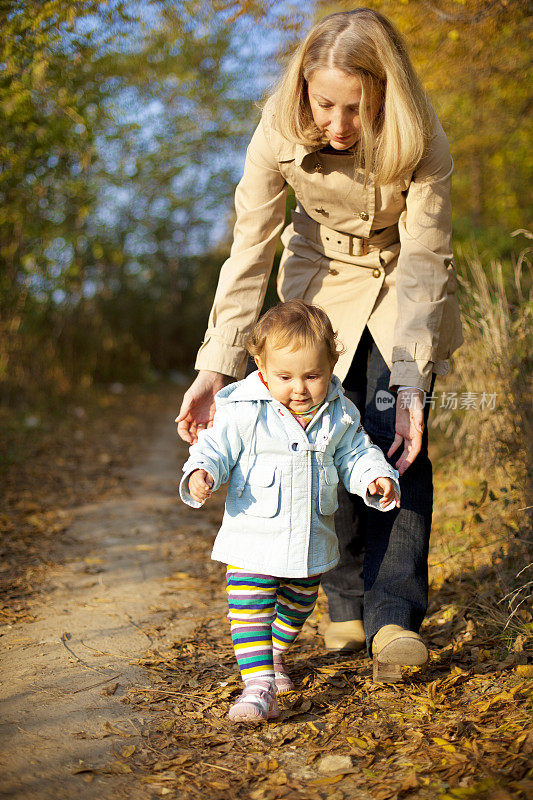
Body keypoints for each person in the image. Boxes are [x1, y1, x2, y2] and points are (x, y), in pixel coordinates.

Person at [176, 9, 463, 681]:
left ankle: (393, 617)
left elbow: (427, 259)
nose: (336, 126)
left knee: (396, 439)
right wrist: (215, 366)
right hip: (318, 284)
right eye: (323, 104)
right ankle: (345, 603)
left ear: (385, 96)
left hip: (402, 288)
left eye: (356, 109)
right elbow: (249, 247)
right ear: (303, 89)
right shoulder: (275, 130)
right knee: (317, 439)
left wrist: (413, 381)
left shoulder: (423, 140)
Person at [179, 301, 401, 722]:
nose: (298, 388)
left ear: (333, 363)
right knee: (250, 606)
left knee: (297, 605)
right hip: (252, 536)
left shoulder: (339, 413)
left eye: (312, 375)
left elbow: (356, 453)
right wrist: (202, 469)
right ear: (260, 365)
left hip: (310, 542)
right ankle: (258, 686)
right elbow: (214, 445)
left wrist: (374, 476)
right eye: (284, 377)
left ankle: (276, 654)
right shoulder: (243, 408)